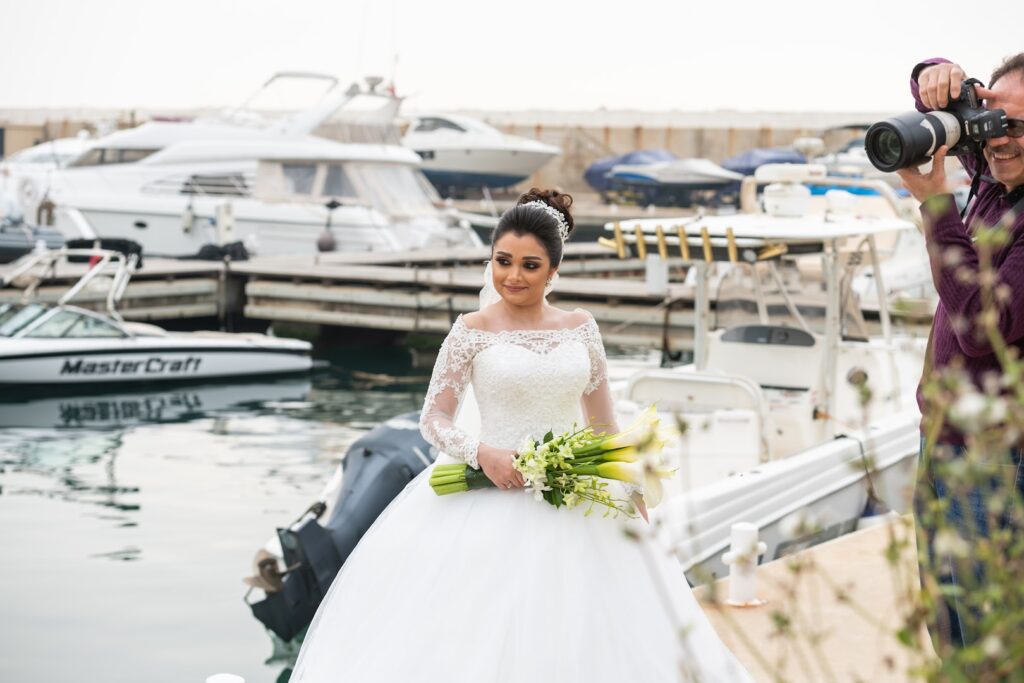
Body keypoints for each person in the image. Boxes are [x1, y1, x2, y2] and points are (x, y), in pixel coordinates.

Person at [290, 188, 752, 681]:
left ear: (553, 271)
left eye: (530, 265)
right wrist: (482, 453)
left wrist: (633, 489)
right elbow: (434, 419)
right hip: (490, 494)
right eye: (502, 261)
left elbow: (603, 424)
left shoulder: (581, 328)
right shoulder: (470, 331)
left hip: (578, 496)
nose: (513, 276)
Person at [898, 55, 1024, 649]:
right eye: (992, 118)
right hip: (944, 437)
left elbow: (981, 323)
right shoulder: (1002, 170)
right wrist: (937, 73)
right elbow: (938, 110)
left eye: (1015, 124)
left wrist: (936, 205)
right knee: (946, 629)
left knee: (986, 640)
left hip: (995, 458)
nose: (998, 136)